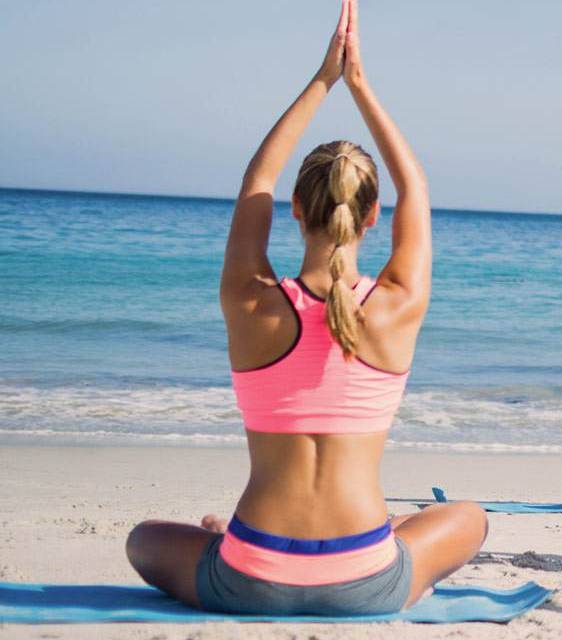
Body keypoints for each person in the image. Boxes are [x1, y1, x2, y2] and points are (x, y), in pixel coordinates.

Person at [122, 0, 486, 615]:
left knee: (142, 541)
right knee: (468, 517)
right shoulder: (398, 306)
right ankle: (393, 552)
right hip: (366, 578)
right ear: (373, 216)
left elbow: (254, 182)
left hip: (247, 576)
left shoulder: (250, 302)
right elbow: (416, 187)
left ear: (295, 208)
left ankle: (223, 537)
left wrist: (321, 80)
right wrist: (359, 85)